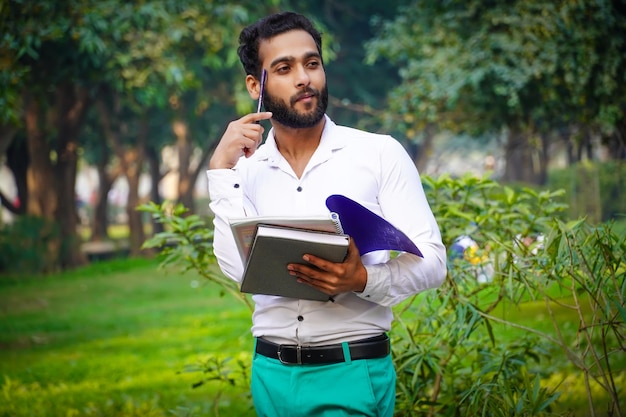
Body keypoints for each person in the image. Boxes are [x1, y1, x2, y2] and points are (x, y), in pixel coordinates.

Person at [207, 11, 446, 416]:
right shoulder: (242, 171)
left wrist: (363, 278)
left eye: (312, 63)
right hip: (271, 374)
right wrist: (219, 172)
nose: (304, 78)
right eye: (284, 68)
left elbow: (434, 262)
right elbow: (236, 267)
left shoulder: (378, 153)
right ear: (256, 86)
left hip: (351, 369)